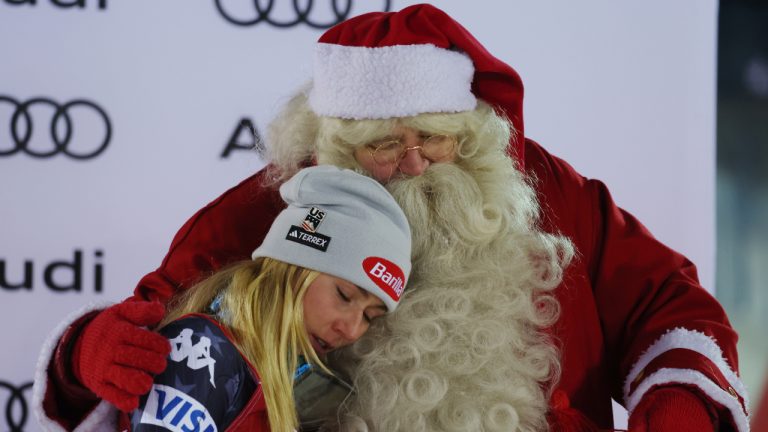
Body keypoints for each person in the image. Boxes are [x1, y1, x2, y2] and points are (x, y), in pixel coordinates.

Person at [32, 4, 748, 432]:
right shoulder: (272, 209)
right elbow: (157, 322)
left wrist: (677, 405)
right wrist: (85, 353)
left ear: (470, 135)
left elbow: (667, 302)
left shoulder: (544, 194)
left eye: (434, 138)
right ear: (336, 150)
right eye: (383, 145)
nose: (413, 163)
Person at [37, 166, 413, 432]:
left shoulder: (291, 374)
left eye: (371, 316)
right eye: (345, 295)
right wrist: (76, 353)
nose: (351, 328)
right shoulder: (205, 354)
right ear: (293, 269)